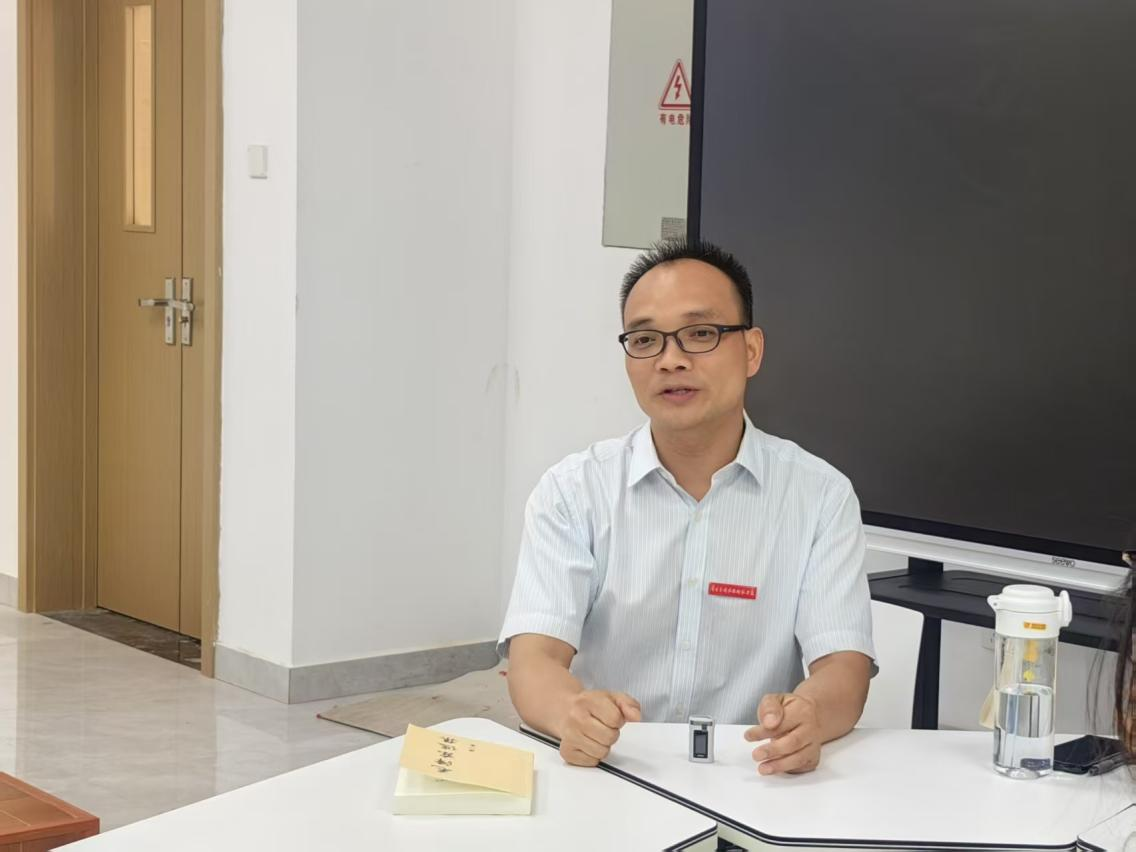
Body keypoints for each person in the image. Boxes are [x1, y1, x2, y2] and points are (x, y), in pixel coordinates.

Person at [498, 239, 876, 775]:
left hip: (753, 775)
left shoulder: (819, 496)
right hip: (610, 769)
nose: (670, 360)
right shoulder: (572, 491)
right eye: (645, 340)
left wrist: (808, 715)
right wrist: (570, 714)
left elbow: (843, 665)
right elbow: (533, 659)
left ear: (751, 350)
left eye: (700, 334)